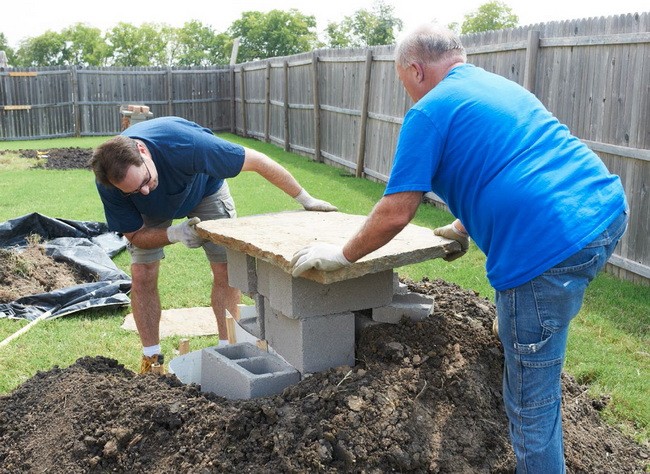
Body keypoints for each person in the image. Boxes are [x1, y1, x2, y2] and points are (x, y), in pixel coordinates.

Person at [291, 25, 628, 473]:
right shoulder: (498, 88)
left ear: (415, 69)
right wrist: (462, 226)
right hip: (603, 212)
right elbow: (507, 162)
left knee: (531, 403)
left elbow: (396, 211)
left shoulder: (428, 112)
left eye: (403, 82)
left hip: (544, 249)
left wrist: (342, 255)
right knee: (529, 326)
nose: (407, 93)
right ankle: (524, 330)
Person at [90, 116, 337, 374]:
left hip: (204, 191)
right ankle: (151, 358)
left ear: (143, 151)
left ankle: (227, 347)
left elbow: (258, 161)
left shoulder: (186, 144)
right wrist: (174, 233)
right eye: (132, 191)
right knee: (142, 273)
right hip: (150, 214)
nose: (144, 191)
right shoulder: (110, 183)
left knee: (225, 269)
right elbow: (135, 234)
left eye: (144, 181)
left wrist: (305, 199)